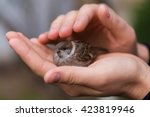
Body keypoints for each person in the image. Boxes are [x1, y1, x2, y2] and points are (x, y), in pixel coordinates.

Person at [6, 4, 150, 99]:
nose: (59, 53)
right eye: (59, 51)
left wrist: (139, 81)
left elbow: (90, 55)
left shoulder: (80, 53)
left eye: (63, 51)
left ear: (70, 50)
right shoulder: (58, 53)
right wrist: (141, 53)